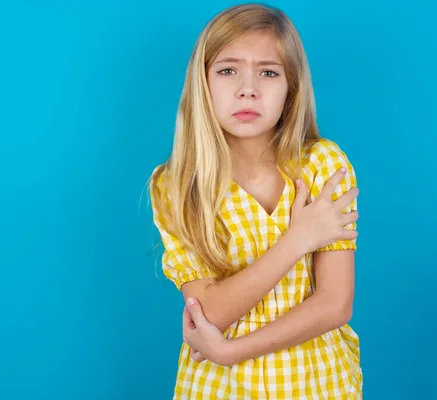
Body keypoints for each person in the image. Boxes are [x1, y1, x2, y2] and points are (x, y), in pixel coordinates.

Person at [149, 3, 362, 399]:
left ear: (290, 88)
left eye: (268, 72)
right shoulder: (176, 185)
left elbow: (335, 304)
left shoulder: (322, 165)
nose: (248, 88)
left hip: (315, 384)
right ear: (203, 83)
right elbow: (209, 312)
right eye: (228, 70)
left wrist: (231, 351)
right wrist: (298, 239)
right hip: (218, 389)